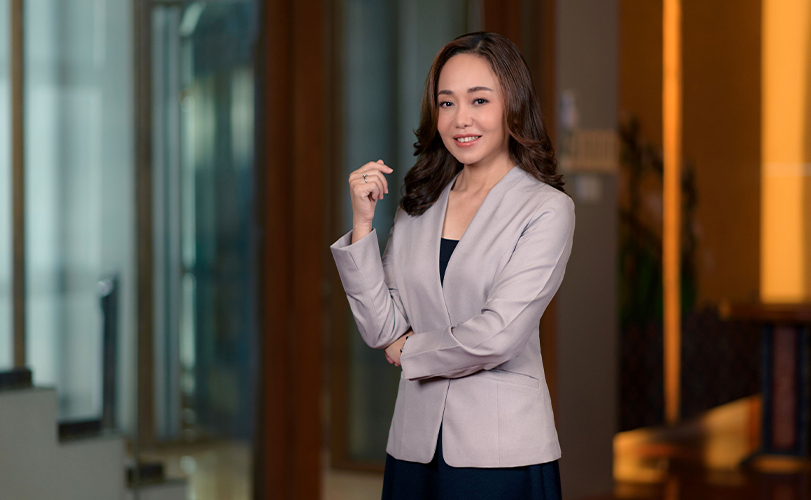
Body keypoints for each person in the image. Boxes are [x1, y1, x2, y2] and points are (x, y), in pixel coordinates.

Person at [330, 31, 575, 499]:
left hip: (501, 453)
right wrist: (363, 224)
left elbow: (499, 334)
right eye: (447, 103)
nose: (461, 118)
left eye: (479, 100)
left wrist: (411, 351)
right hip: (413, 444)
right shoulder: (421, 202)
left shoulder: (546, 209)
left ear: (513, 105)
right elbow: (382, 329)